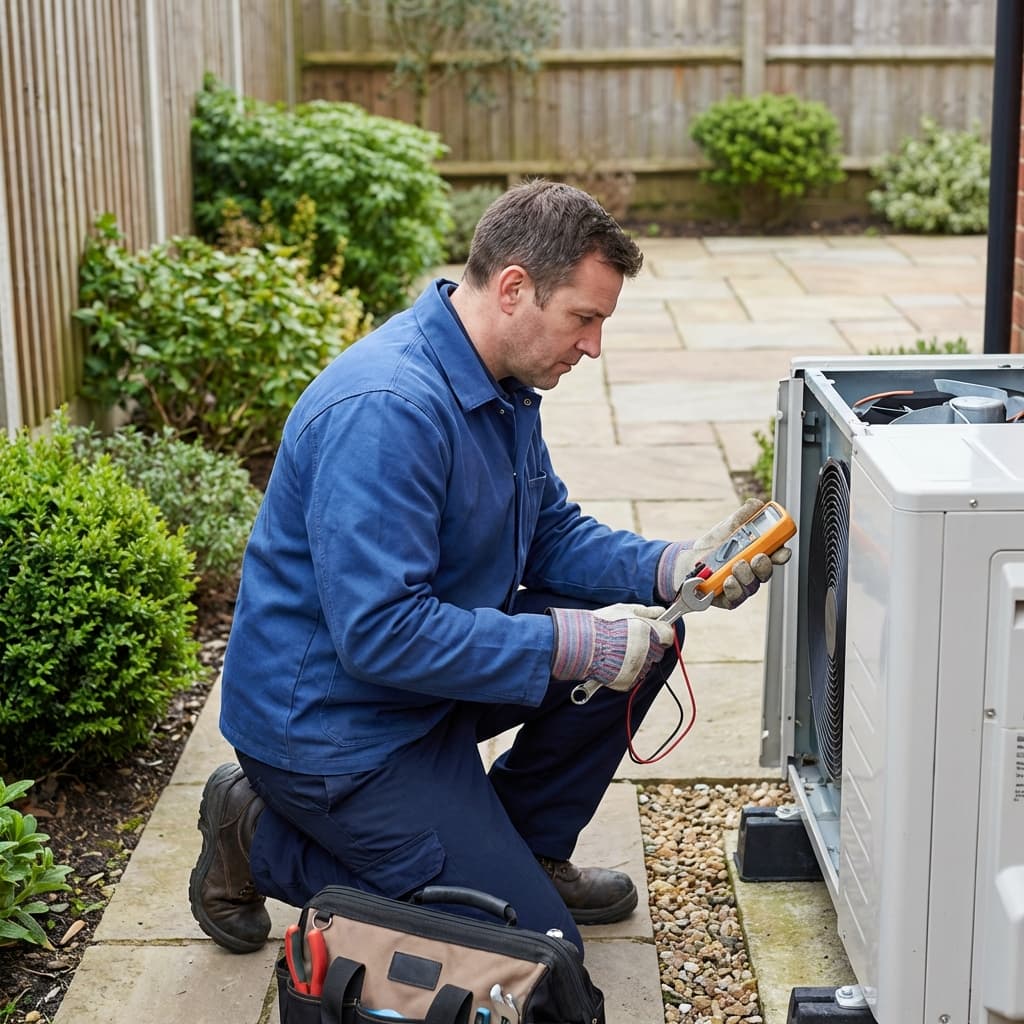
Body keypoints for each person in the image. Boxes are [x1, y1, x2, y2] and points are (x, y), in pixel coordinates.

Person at [188, 180, 788, 957]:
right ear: (514, 288)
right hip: (335, 731)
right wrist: (576, 645)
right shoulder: (387, 409)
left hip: (416, 693)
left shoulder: (499, 384)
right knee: (533, 953)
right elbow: (381, 634)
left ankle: (525, 848)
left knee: (649, 642)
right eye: (585, 318)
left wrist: (674, 567)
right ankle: (256, 831)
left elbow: (549, 536)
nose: (593, 346)